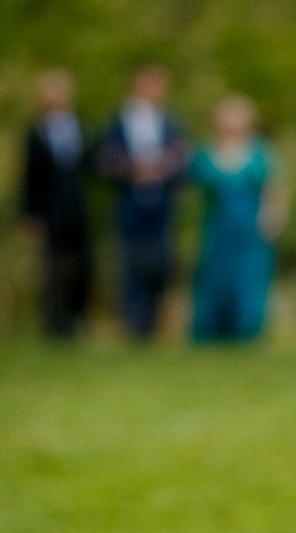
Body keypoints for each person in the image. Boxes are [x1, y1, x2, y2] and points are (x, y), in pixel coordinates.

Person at [188, 96, 287, 342]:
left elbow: (275, 188)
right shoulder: (205, 152)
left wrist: (274, 216)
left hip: (251, 228)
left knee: (248, 280)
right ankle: (210, 333)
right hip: (217, 227)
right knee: (214, 278)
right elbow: (191, 188)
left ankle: (246, 332)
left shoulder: (261, 152)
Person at [98, 65, 185, 339]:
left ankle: (155, 318)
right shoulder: (117, 123)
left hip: (162, 204)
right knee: (131, 260)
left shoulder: (171, 123)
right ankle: (134, 323)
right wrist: (132, 169)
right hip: (129, 202)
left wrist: (160, 169)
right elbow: (104, 159)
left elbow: (182, 159)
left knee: (160, 261)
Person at [21, 70, 94, 339]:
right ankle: (54, 324)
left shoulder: (80, 126)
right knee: (53, 269)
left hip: (77, 208)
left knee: (83, 266)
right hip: (49, 211)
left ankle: (76, 320)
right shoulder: (36, 131)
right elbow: (29, 178)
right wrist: (31, 216)